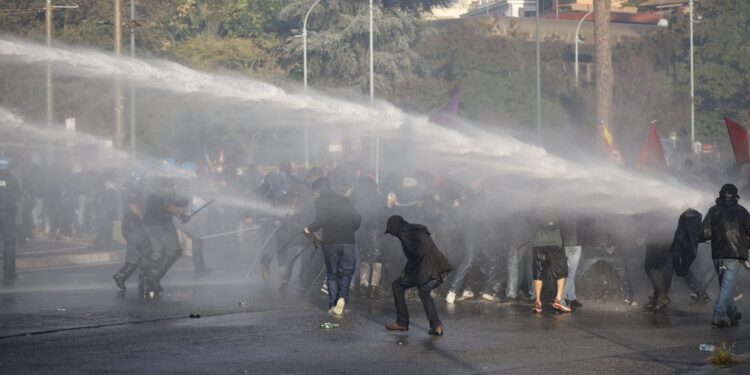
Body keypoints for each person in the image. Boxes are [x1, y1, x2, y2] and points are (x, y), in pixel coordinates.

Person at [384, 215, 452, 336]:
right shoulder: (414, 229)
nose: (392, 235)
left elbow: (418, 254)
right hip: (439, 267)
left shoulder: (405, 234)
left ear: (394, 228)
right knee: (424, 292)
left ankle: (402, 322)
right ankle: (436, 326)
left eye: (391, 232)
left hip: (428, 269)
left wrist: (407, 271)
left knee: (397, 286)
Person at [304, 178, 361, 315]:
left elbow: (321, 219)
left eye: (315, 192)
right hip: (348, 241)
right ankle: (342, 298)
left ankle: (332, 305)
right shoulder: (344, 199)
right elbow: (358, 217)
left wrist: (309, 229)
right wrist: (351, 229)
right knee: (346, 272)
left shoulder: (320, 201)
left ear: (319, 190)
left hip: (331, 241)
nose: (314, 195)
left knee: (332, 273)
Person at [699, 184, 749, 327]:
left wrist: (698, 238)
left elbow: (705, 233)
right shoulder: (742, 211)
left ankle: (733, 313)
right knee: (727, 287)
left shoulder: (713, 210)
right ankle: (718, 316)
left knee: (726, 287)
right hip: (734, 254)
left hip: (718, 255)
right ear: (735, 196)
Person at [530, 211, 571, 313]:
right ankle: (558, 300)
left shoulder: (534, 205)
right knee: (561, 271)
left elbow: (530, 220)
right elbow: (563, 220)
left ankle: (538, 301)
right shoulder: (557, 205)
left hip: (538, 243)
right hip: (555, 243)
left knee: (538, 271)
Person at [0, 156, 20, 286]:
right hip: (7, 215)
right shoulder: (12, 180)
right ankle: (9, 270)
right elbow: (18, 194)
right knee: (9, 242)